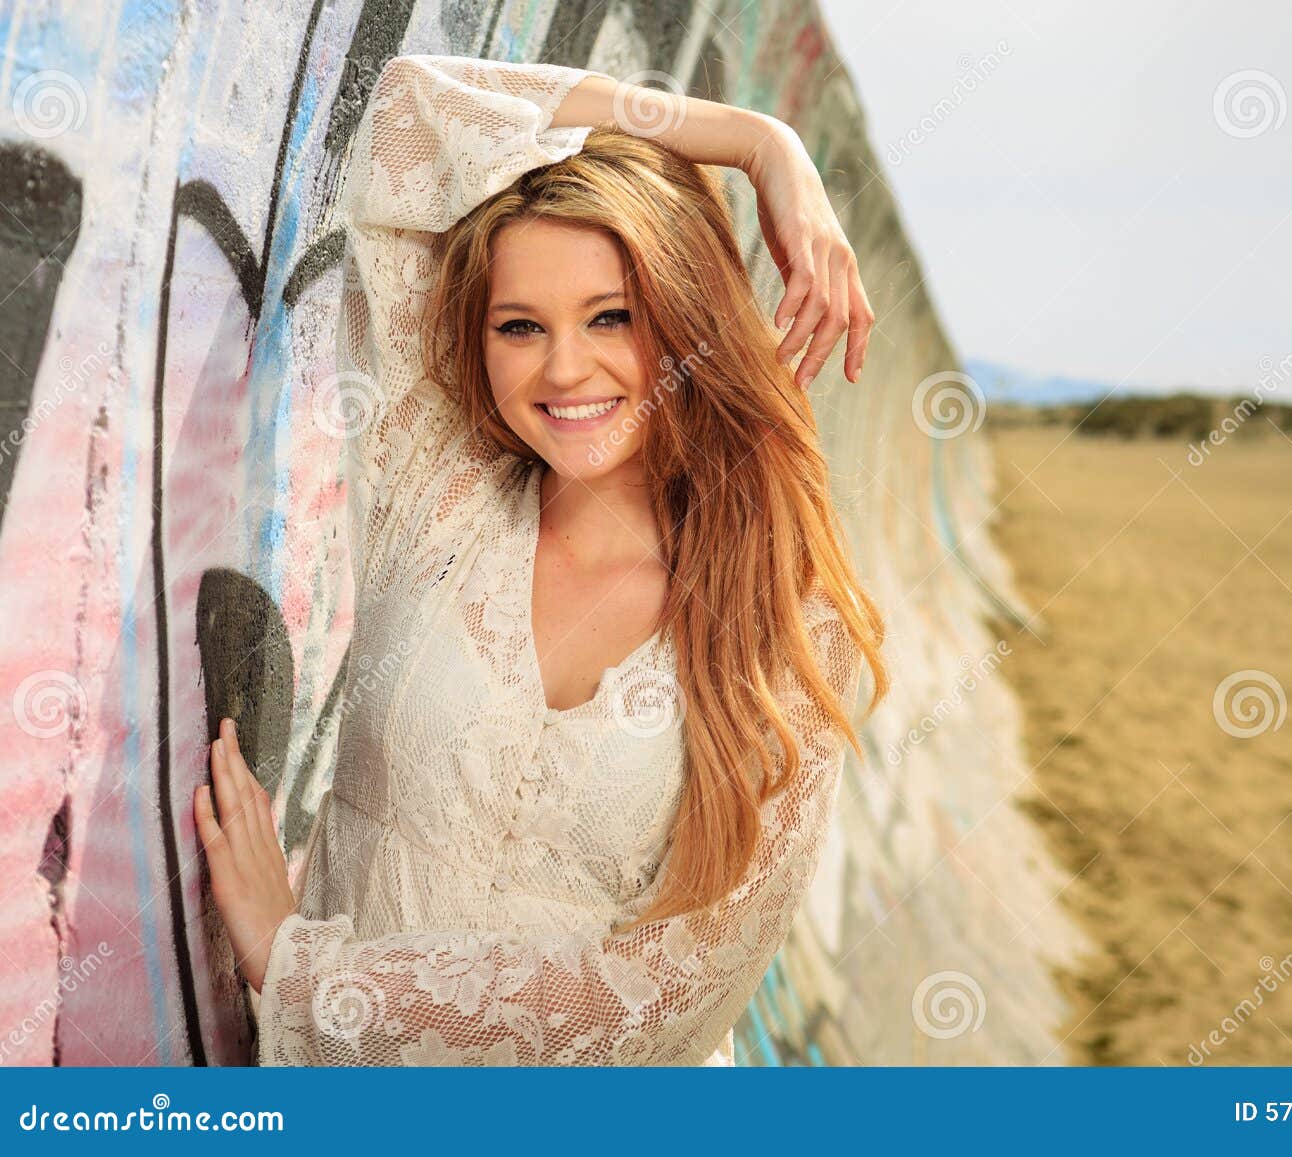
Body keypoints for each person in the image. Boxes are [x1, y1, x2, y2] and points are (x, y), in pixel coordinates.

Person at [193, 53, 888, 1066]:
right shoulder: (435, 486)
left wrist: (298, 970)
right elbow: (412, 107)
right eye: (520, 327)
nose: (565, 368)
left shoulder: (787, 625)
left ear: (684, 319)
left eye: (612, 315)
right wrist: (757, 143)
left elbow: (662, 1001)